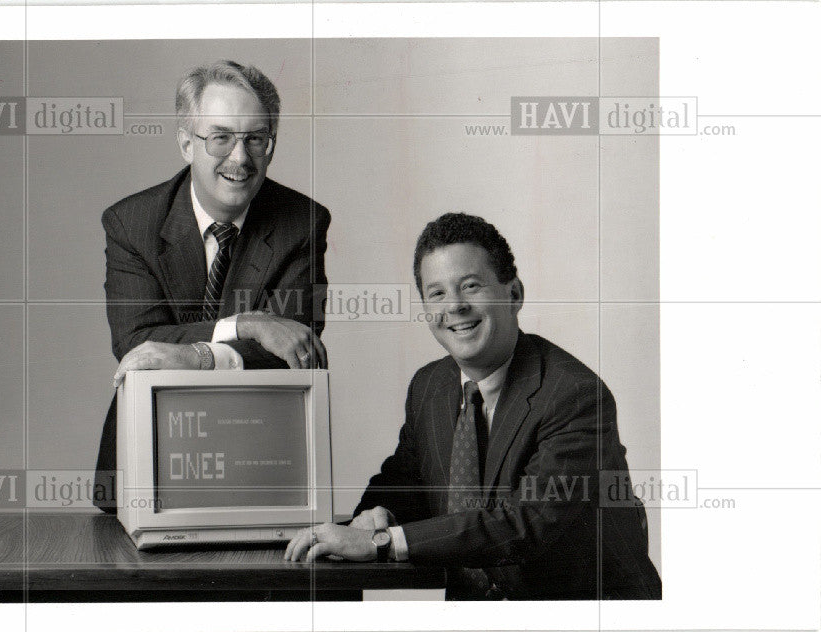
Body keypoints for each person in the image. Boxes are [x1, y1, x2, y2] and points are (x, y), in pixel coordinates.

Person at [285, 213, 661, 600]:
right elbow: (405, 482)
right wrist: (376, 514)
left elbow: (527, 523)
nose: (455, 306)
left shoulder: (574, 394)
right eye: (437, 294)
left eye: (471, 286)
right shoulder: (429, 386)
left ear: (514, 295)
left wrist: (382, 543)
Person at [93, 60, 330, 511]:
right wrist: (246, 325)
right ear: (187, 142)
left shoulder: (303, 222)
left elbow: (297, 347)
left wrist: (192, 355)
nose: (240, 158)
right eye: (220, 137)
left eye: (255, 138)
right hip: (147, 458)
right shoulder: (131, 223)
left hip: (258, 456)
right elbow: (135, 341)